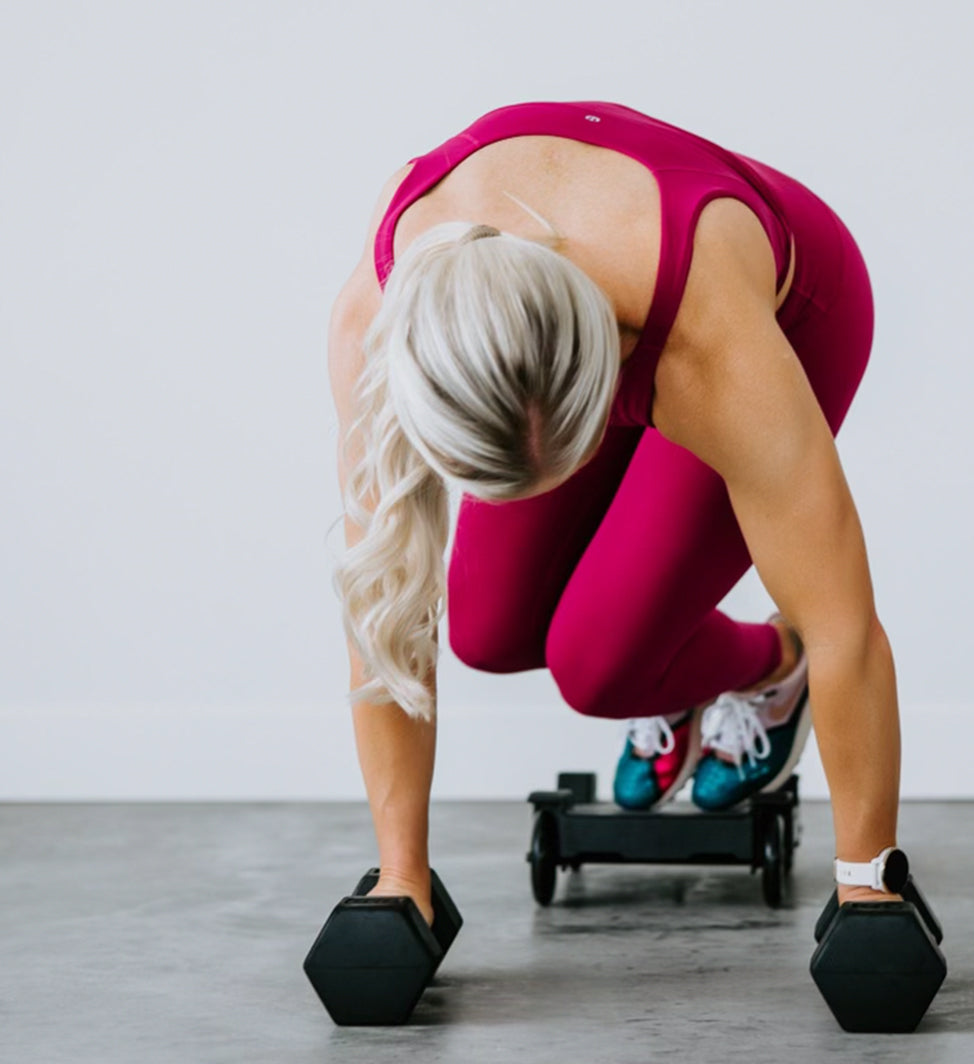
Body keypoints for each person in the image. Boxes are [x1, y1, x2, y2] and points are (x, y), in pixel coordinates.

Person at [326, 100, 901, 929]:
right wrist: (400, 880)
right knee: (488, 631)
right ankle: (682, 656)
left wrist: (868, 890)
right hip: (583, 318)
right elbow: (385, 615)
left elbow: (848, 624)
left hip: (779, 310)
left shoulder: (711, 342)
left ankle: (778, 670)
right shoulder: (375, 326)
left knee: (603, 668)